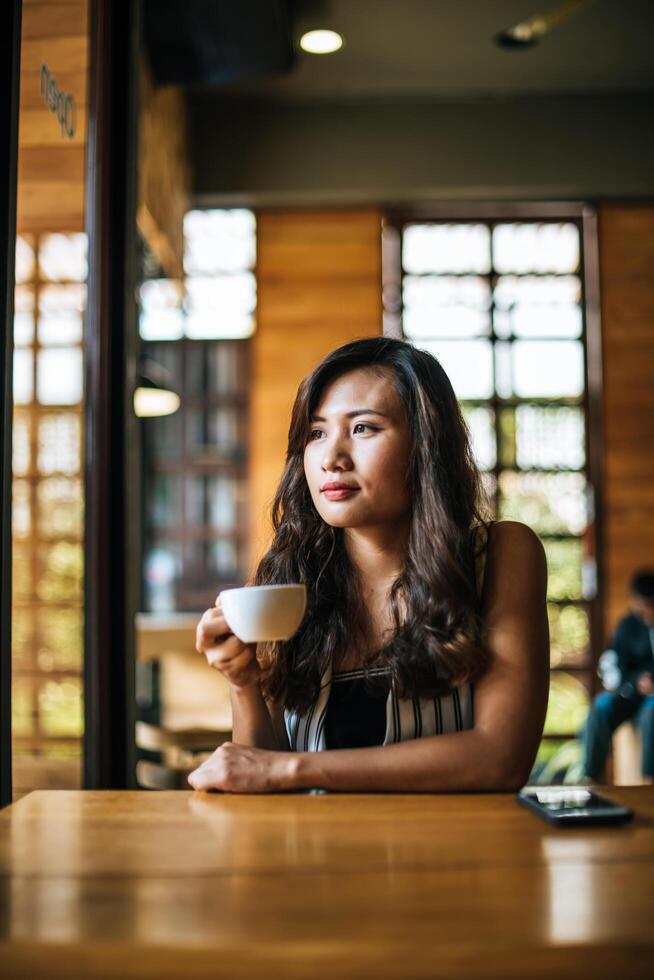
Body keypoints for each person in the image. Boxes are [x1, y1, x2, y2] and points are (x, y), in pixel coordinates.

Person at [190, 337, 549, 793]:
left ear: (425, 445)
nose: (331, 459)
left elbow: (500, 759)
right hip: (313, 858)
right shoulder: (291, 576)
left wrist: (292, 771)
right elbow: (263, 771)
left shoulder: (500, 555)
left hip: (457, 857)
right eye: (316, 433)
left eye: (363, 429)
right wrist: (243, 683)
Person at [583, 570, 654, 783]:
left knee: (653, 714)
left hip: (652, 699)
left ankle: (649, 781)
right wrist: (635, 682)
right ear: (636, 602)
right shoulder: (626, 627)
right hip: (630, 692)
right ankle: (591, 776)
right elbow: (611, 665)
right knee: (600, 706)